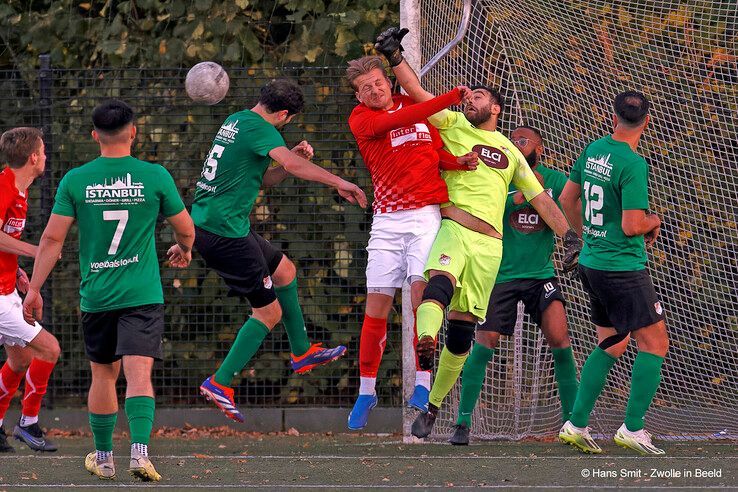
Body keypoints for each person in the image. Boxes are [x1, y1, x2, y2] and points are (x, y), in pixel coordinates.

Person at [373, 27, 582, 439]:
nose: (469, 100)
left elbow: (541, 200)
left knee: (463, 333)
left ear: (496, 107)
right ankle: (425, 343)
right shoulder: (452, 123)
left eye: (478, 97)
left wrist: (570, 237)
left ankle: (433, 408)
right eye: (467, 97)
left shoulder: (510, 152)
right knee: (438, 286)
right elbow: (416, 91)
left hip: (490, 250)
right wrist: (395, 58)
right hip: (454, 229)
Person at [23, 100, 196, 480]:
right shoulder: (154, 176)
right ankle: (139, 453)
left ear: (94, 135)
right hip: (141, 294)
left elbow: (52, 238)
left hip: (97, 296)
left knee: (103, 376)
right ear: (133, 132)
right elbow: (185, 228)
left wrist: (34, 289)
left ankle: (103, 458)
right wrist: (184, 249)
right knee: (139, 374)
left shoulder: (76, 179)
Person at [192, 78, 367, 424]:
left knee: (285, 270)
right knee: (268, 314)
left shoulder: (238, 120)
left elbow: (266, 179)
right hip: (224, 233)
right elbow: (292, 167)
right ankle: (219, 382)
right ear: (285, 114)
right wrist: (340, 182)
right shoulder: (264, 131)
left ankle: (301, 352)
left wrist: (288, 159)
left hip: (219, 225)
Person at [344, 55, 473, 429]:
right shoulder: (362, 119)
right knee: (376, 308)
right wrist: (449, 97)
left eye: (378, 82)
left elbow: (431, 152)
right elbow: (396, 122)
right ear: (359, 95)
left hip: (424, 218)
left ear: (388, 81)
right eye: (365, 87)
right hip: (386, 221)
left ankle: (422, 384)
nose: (374, 89)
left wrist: (455, 162)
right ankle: (367, 390)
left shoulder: (415, 105)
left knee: (422, 297)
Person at [447, 125, 579, 445]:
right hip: (500, 275)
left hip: (540, 276)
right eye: (513, 141)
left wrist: (575, 239)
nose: (517, 145)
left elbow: (570, 211)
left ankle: (573, 422)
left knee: (560, 339)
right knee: (484, 341)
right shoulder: (499, 175)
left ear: (540, 149)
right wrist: (517, 196)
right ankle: (463, 422)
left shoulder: (556, 181)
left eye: (523, 141)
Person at [558, 91, 667, 455]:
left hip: (592, 264)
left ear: (612, 117)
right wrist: (655, 220)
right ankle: (632, 429)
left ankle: (576, 423)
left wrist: (587, 235)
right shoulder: (633, 163)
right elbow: (634, 224)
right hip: (621, 268)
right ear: (647, 121)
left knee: (613, 342)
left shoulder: (594, 150)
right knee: (655, 344)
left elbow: (566, 200)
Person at [0, 127, 60, 453]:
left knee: (20, 359)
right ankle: (28, 423)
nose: (46, 157)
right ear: (33, 157)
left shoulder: (19, 191)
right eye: (44, 151)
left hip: (8, 290)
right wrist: (35, 251)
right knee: (48, 349)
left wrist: (18, 271)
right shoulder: (4, 187)